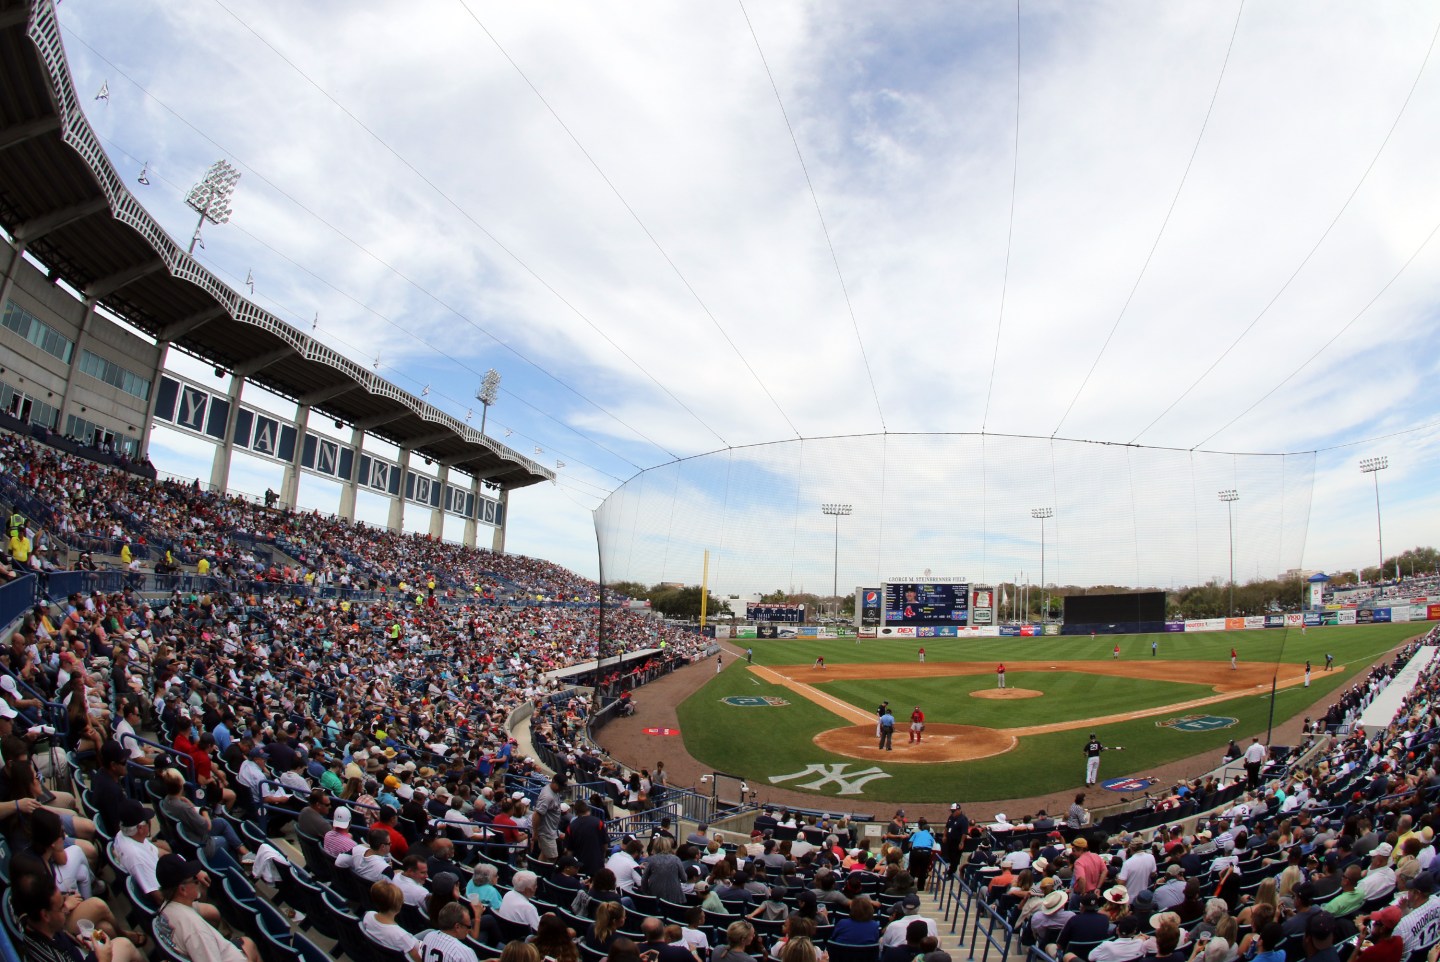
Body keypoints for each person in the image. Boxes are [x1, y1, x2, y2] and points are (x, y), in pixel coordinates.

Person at [13, 871, 143, 962]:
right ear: (45, 915)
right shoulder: (50, 956)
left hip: (79, 953)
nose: (66, 908)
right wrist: (103, 958)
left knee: (105, 928)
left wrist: (75, 939)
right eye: (61, 906)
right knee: (124, 944)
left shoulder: (29, 919)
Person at [155, 853, 262, 962]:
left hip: (210, 951)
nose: (198, 882)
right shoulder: (196, 931)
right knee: (250, 947)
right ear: (182, 890)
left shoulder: (166, 908)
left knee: (247, 942)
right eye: (195, 880)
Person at [361, 881, 422, 962]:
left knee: (430, 932)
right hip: (417, 950)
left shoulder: (368, 915)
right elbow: (418, 959)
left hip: (396, 947)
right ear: (398, 905)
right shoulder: (400, 935)